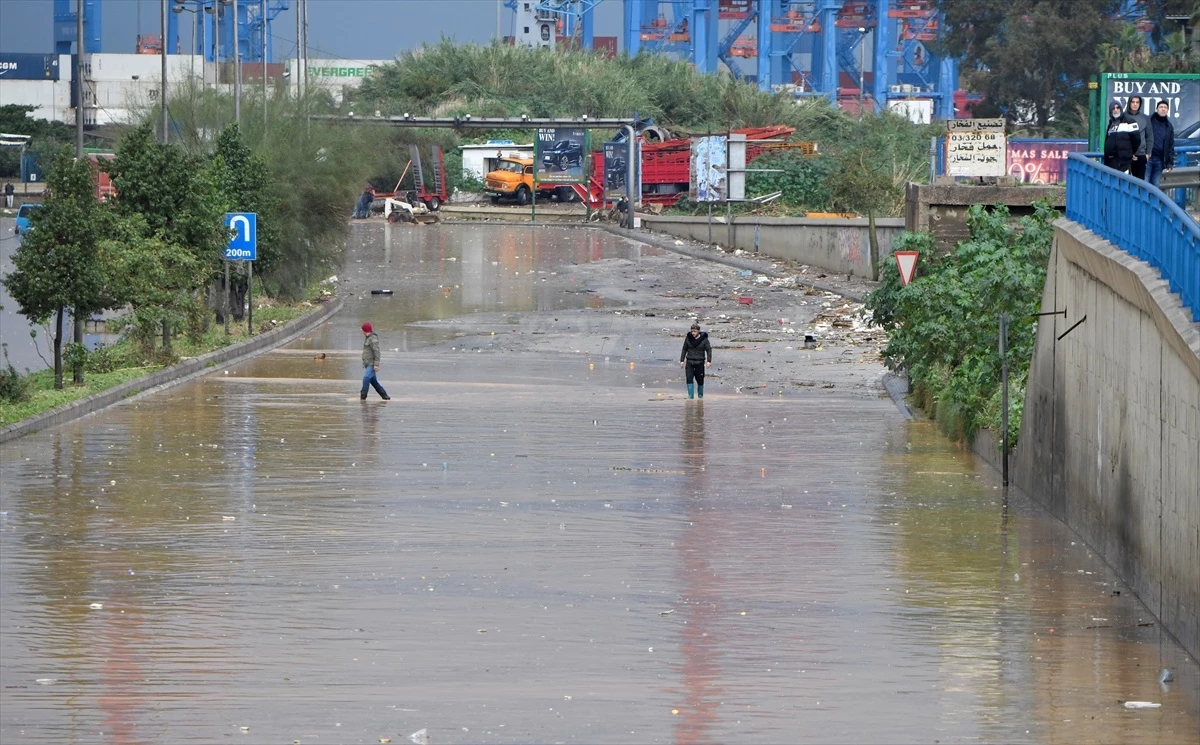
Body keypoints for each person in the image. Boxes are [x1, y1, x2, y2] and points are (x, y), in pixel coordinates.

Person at [1103, 102, 1139, 174]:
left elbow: (1136, 140)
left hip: (1124, 161)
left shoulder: (1130, 121)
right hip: (1111, 160)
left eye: (1118, 108)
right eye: (1113, 108)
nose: (1115, 110)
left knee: (1123, 182)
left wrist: (1131, 152)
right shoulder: (1111, 124)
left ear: (1121, 109)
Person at [1147, 100, 1176, 188]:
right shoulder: (1149, 121)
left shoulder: (1169, 126)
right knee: (1144, 185)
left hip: (1160, 160)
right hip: (1147, 159)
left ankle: (1152, 202)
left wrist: (1169, 163)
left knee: (1155, 187)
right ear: (1156, 109)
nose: (1163, 109)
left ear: (1167, 110)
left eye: (1165, 108)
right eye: (1161, 107)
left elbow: (1170, 145)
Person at [679, 322, 712, 399]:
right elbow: (684, 349)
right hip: (689, 362)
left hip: (699, 363)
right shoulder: (688, 338)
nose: (693, 333)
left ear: (698, 331)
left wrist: (709, 361)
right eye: (692, 331)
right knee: (689, 379)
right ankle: (690, 398)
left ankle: (700, 398)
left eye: (695, 331)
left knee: (700, 381)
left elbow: (708, 350)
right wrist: (682, 360)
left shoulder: (704, 339)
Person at [360, 322, 390, 400]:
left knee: (366, 378)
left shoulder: (372, 339)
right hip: (367, 363)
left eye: (362, 329)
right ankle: (385, 397)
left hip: (371, 364)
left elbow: (377, 351)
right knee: (374, 382)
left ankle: (363, 397)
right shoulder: (368, 338)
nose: (361, 331)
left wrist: (376, 364)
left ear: (364, 330)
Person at [1126, 95, 1152, 180]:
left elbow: (1149, 136)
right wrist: (1128, 153)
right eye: (1133, 102)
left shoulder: (1145, 118)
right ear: (1129, 103)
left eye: (1137, 102)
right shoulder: (1123, 117)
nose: (1135, 104)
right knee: (1126, 182)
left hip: (1141, 154)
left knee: (1140, 182)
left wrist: (1148, 153)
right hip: (1126, 156)